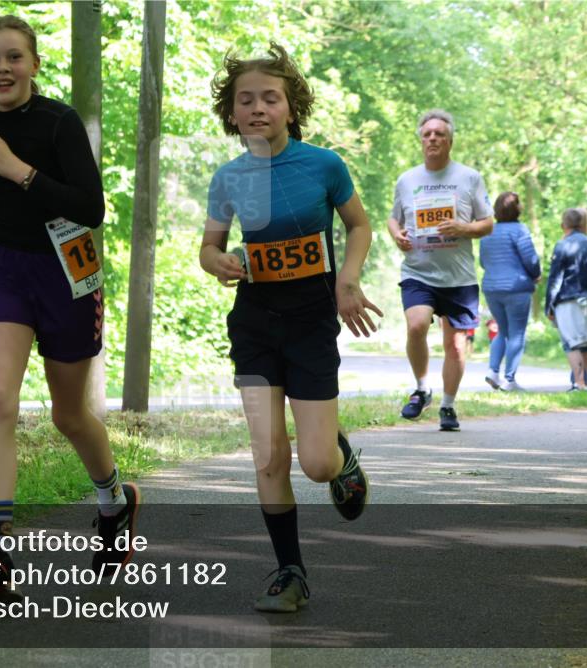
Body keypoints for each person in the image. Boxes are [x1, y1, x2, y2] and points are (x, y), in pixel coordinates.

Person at [0, 15, 138, 599]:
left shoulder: (60, 121)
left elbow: (90, 207)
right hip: (6, 268)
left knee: (68, 415)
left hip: (68, 268)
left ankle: (114, 499)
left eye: (14, 58)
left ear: (34, 65)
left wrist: (18, 171)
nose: (2, 68)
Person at [199, 43, 381, 613]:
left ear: (289, 106)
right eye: (245, 100)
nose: (257, 108)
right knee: (268, 455)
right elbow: (209, 246)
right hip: (253, 321)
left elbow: (358, 227)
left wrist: (346, 280)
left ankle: (339, 456)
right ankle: (289, 572)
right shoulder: (229, 178)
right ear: (231, 112)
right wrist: (217, 260)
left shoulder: (323, 165)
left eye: (269, 98)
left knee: (316, 464)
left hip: (309, 319)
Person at [386, 109, 494, 431]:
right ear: (421, 140)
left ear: (450, 140)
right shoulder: (407, 180)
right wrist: (396, 234)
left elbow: (488, 223)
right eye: (427, 134)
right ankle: (421, 389)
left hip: (458, 277)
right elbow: (393, 218)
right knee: (416, 326)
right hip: (418, 271)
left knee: (456, 345)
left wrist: (463, 228)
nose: (432, 138)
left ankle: (448, 405)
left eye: (439, 134)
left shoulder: (469, 177)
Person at [479, 191, 541, 391]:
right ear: (517, 209)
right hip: (516, 288)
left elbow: (483, 261)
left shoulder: (488, 231)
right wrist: (535, 274)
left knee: (502, 330)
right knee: (517, 333)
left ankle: (492, 371)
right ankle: (509, 380)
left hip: (491, 288)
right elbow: (530, 259)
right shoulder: (519, 230)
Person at [545, 208, 587, 391]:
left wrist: (549, 306)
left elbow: (555, 278)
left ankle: (579, 383)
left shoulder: (562, 245)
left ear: (563, 225)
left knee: (571, 343)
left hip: (567, 300)